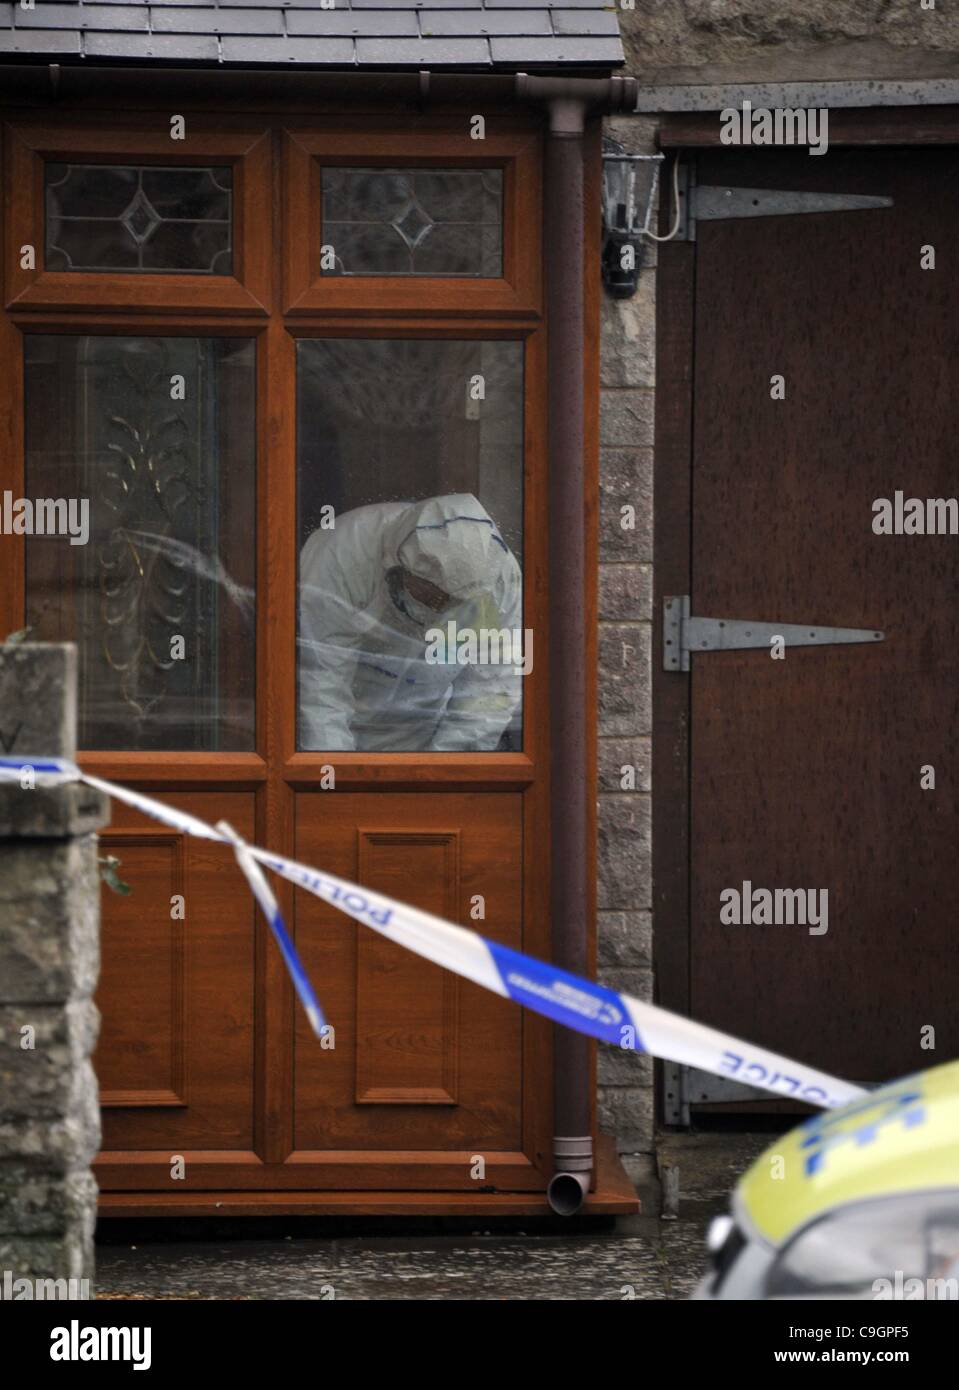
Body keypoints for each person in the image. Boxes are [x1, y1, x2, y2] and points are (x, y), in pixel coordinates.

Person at [298, 493, 522, 752]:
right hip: (334, 728)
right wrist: (334, 777)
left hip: (422, 735)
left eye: (452, 602)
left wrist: (445, 774)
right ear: (400, 566)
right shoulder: (344, 551)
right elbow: (321, 682)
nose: (439, 608)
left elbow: (491, 690)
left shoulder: (500, 579)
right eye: (431, 594)